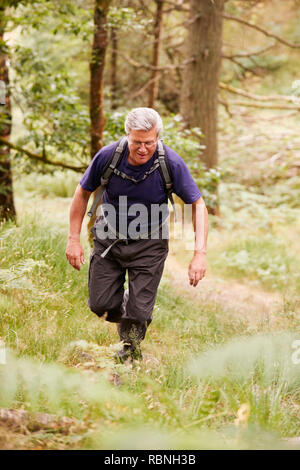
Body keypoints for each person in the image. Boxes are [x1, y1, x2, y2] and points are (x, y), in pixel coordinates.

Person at [66, 107, 208, 362]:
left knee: (139, 314)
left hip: (150, 244)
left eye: (149, 143)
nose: (143, 149)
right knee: (101, 305)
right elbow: (82, 194)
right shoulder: (108, 156)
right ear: (127, 136)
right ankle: (132, 308)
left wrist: (199, 254)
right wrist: (73, 239)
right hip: (109, 239)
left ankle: (129, 355)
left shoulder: (170, 163)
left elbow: (198, 205)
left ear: (157, 138)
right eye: (137, 143)